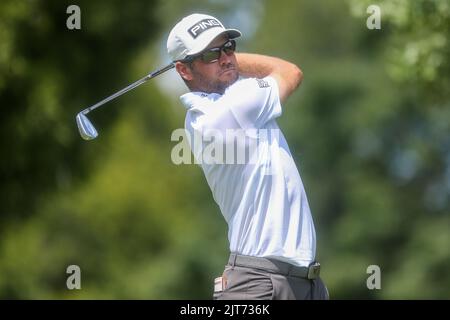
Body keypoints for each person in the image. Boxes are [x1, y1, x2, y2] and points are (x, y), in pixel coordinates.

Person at [167, 13, 329, 300]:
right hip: (260, 285)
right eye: (211, 54)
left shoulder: (209, 112)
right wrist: (237, 62)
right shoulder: (232, 107)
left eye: (229, 47)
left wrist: (219, 59)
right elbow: (290, 71)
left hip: (304, 283)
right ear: (184, 70)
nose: (227, 58)